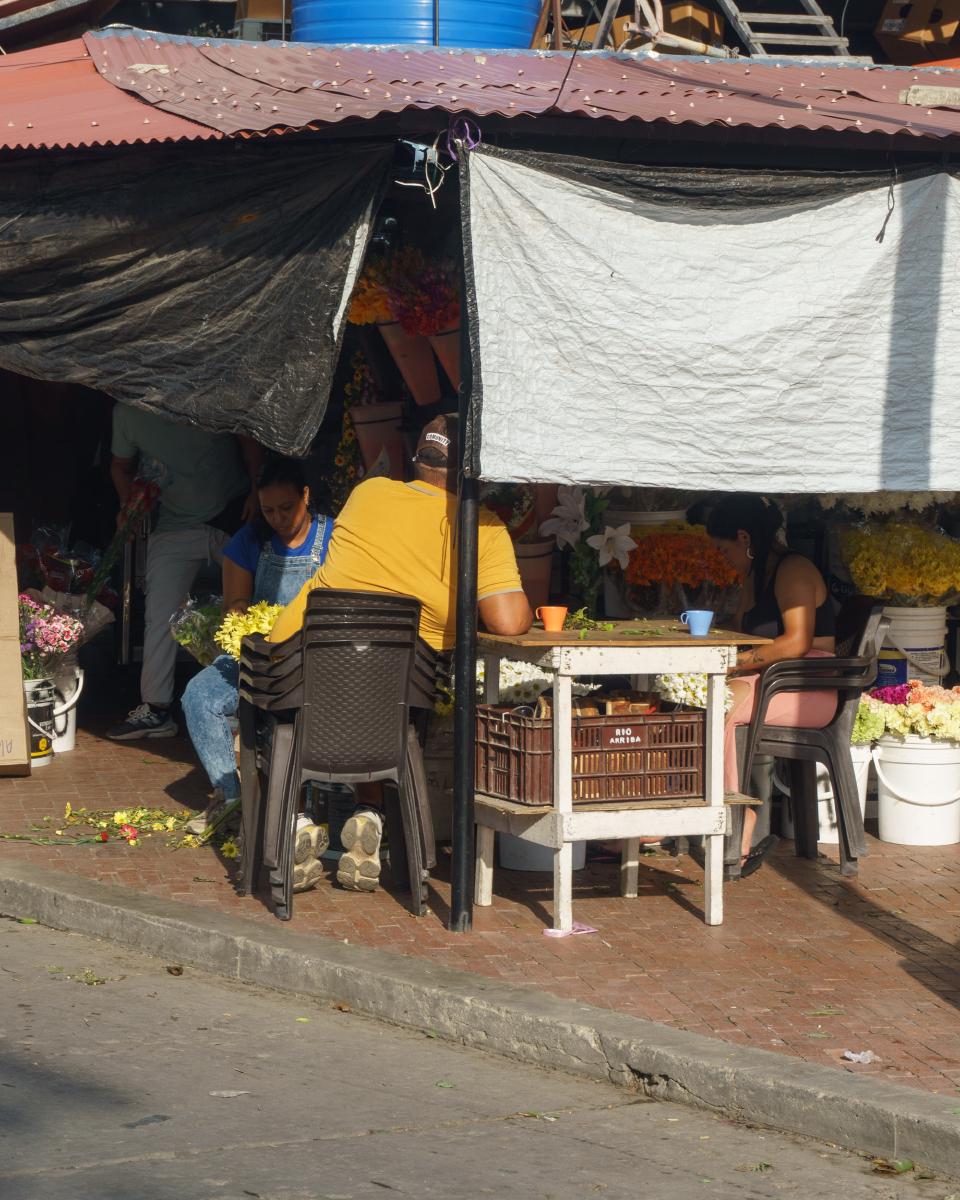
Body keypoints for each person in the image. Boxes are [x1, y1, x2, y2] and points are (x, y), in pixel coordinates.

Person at [267, 413, 532, 893]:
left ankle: (296, 821)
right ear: (477, 474)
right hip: (393, 687)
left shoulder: (368, 493)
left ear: (416, 460)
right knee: (384, 710)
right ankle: (370, 814)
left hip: (302, 662)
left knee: (279, 716)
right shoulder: (484, 528)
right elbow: (510, 622)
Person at [180, 459, 334, 887]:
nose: (279, 519)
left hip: (314, 660)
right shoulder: (249, 541)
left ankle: (288, 812)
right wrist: (255, 625)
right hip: (257, 654)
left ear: (306, 496)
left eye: (287, 508)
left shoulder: (334, 537)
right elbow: (234, 606)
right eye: (269, 511)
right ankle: (235, 797)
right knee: (199, 697)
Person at [107, 406, 262, 740]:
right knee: (159, 612)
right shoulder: (127, 410)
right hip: (174, 523)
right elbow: (120, 467)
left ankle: (257, 699)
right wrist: (127, 505)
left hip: (230, 512)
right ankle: (156, 707)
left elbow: (247, 436)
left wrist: (256, 489)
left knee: (252, 603)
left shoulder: (202, 385)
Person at [707, 494, 837, 878]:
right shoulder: (758, 573)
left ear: (743, 537)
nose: (722, 556)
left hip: (807, 687)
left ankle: (736, 818)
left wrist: (735, 663)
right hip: (774, 681)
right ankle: (704, 808)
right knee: (696, 699)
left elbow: (797, 642)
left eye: (722, 547)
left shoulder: (793, 570)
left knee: (717, 705)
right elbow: (743, 632)